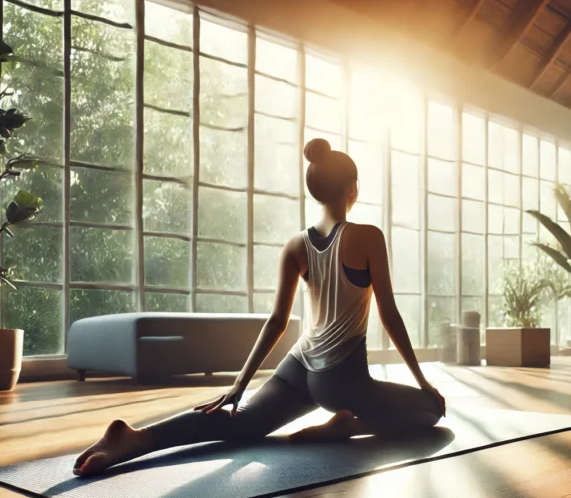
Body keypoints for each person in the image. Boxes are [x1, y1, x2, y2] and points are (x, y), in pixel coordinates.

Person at [73, 138, 447, 477]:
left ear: (316, 191)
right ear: (354, 188)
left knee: (242, 423)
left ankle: (138, 438)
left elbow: (277, 322)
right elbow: (390, 314)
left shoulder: (296, 245)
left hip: (298, 368)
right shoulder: (368, 237)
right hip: (342, 381)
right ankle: (347, 426)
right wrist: (423, 381)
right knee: (429, 411)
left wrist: (241, 383)